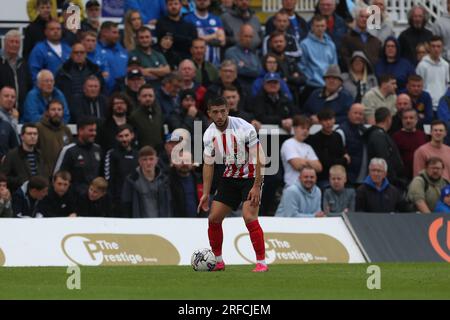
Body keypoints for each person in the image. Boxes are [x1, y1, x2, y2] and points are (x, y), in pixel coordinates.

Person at [197, 96, 268, 272]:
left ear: (228, 110)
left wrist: (257, 186)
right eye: (215, 112)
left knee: (249, 216)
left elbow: (260, 157)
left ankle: (262, 263)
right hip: (230, 177)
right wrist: (206, 193)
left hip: (251, 177)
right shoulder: (209, 134)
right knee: (214, 218)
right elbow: (208, 163)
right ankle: (218, 261)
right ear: (209, 114)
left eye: (223, 111)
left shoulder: (244, 128)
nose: (220, 115)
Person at [53, 116, 103, 195]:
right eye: (90, 130)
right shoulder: (68, 150)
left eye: (94, 130)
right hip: (74, 199)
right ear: (80, 131)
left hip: (94, 199)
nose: (94, 133)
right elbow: (57, 177)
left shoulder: (98, 149)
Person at [121, 146, 173, 218]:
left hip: (161, 223)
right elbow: (126, 205)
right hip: (139, 225)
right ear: (139, 161)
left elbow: (169, 204)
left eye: (151, 159)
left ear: (156, 160)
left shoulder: (164, 180)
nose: (148, 162)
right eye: (144, 159)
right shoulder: (131, 180)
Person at [366, 107, 407, 190]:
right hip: (386, 183)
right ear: (388, 119)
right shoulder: (378, 136)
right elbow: (384, 159)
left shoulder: (378, 134)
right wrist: (395, 180)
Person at [307, 108, 349, 188]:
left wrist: (343, 159)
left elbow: (343, 153)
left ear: (334, 120)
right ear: (320, 122)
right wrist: (344, 160)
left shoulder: (337, 136)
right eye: (325, 120)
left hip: (339, 175)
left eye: (330, 119)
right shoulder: (315, 139)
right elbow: (324, 162)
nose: (328, 123)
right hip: (324, 178)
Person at [104, 124, 139, 218]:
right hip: (118, 200)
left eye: (126, 135)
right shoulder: (112, 154)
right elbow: (108, 178)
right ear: (116, 138)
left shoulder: (138, 154)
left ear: (132, 135)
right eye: (121, 136)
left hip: (135, 198)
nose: (124, 139)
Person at [299, 15, 338, 95]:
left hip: (329, 85)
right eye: (317, 26)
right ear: (312, 27)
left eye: (322, 26)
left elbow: (334, 66)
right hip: (312, 86)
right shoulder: (304, 44)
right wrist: (310, 79)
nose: (320, 28)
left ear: (326, 27)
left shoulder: (331, 45)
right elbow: (302, 66)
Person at [1, 123, 45, 192]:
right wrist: (21, 181)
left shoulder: (40, 154)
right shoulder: (12, 155)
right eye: (29, 134)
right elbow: (4, 177)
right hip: (19, 194)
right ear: (22, 137)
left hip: (38, 194)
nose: (33, 136)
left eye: (35, 134)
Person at [280, 115, 322, 187]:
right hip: (292, 186)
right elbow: (297, 165)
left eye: (307, 129)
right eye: (302, 128)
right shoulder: (288, 143)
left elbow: (319, 167)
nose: (305, 131)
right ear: (295, 128)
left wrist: (304, 161)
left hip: (309, 187)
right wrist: (310, 162)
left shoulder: (308, 147)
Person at [36, 99, 73, 180]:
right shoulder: (39, 128)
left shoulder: (66, 130)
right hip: (44, 176)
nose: (56, 112)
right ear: (47, 112)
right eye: (53, 109)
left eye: (59, 109)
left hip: (62, 177)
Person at [183, 0, 225, 67]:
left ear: (209, 1)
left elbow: (222, 41)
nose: (202, 1)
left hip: (215, 65)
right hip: (195, 65)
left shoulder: (217, 19)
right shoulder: (188, 19)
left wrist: (202, 38)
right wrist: (214, 35)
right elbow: (193, 39)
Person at [339, 5, 382, 71]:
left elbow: (379, 61)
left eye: (367, 17)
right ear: (356, 18)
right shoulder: (347, 38)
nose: (364, 19)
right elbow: (345, 58)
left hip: (372, 77)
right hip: (353, 76)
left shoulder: (376, 41)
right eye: (361, 16)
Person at [0, 30, 32, 114]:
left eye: (17, 42)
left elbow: (29, 86)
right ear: (5, 43)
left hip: (21, 112)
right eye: (11, 42)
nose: (14, 44)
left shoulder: (23, 64)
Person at [336, 103, 368, 184]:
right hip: (347, 179)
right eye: (355, 113)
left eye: (360, 114)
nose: (358, 116)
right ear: (349, 114)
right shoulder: (341, 131)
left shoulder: (365, 131)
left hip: (362, 178)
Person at [416, 36, 450, 112]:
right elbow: (418, 87)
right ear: (429, 48)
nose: (436, 49)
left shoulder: (446, 65)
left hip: (442, 105)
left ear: (442, 48)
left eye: (438, 46)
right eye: (433, 46)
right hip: (427, 105)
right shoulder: (422, 65)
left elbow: (447, 85)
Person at [224, 24, 262, 92]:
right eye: (246, 36)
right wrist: (252, 68)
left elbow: (258, 71)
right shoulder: (231, 52)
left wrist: (245, 66)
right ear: (239, 36)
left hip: (253, 89)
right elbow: (237, 70)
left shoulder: (254, 54)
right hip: (238, 88)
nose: (248, 39)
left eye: (250, 37)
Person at [392, 108, 427, 180]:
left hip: (420, 176)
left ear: (416, 120)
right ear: (402, 120)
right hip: (402, 177)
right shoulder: (396, 137)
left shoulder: (423, 135)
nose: (408, 120)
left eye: (411, 118)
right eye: (405, 118)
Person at [129, 84, 164, 151]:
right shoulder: (134, 116)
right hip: (142, 153)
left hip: (159, 153)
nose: (148, 98)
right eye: (144, 96)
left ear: (154, 97)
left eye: (150, 96)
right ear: (138, 97)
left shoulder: (159, 113)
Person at [97, 22, 129, 91]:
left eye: (118, 33)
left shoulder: (121, 48)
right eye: (114, 32)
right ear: (104, 33)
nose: (117, 35)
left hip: (122, 91)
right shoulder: (95, 49)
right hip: (103, 91)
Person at [170, 151, 200, 218]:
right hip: (176, 222)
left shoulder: (200, 180)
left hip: (198, 222)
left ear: (192, 162)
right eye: (180, 161)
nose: (184, 164)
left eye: (187, 160)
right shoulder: (167, 182)